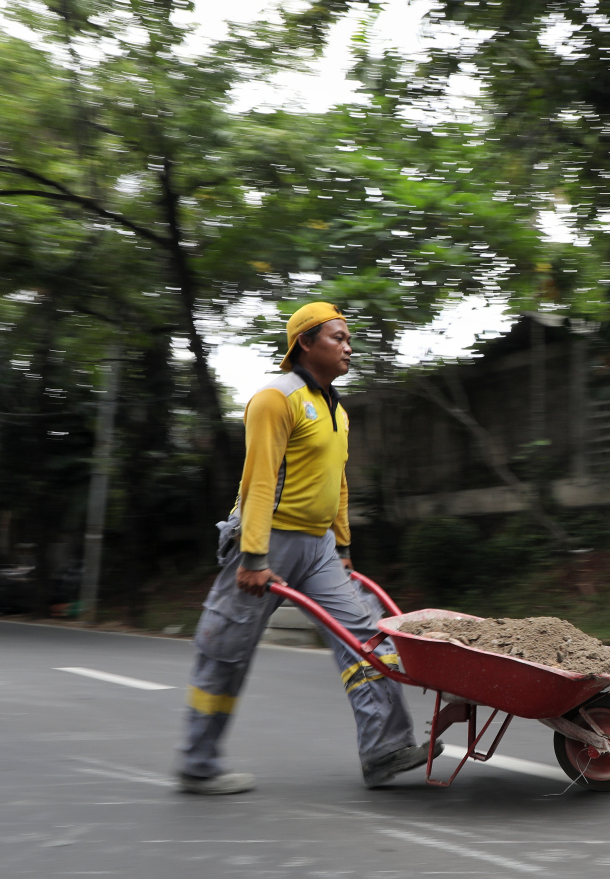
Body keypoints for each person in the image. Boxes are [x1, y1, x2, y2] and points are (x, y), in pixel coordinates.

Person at [177, 302, 435, 793]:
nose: (348, 346)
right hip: (265, 541)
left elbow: (336, 483)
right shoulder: (276, 398)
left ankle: (385, 750)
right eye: (338, 337)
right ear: (305, 344)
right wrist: (253, 557)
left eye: (349, 338)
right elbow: (258, 481)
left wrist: (341, 547)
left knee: (363, 639)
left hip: (318, 548)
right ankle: (198, 761)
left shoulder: (336, 408)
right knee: (225, 650)